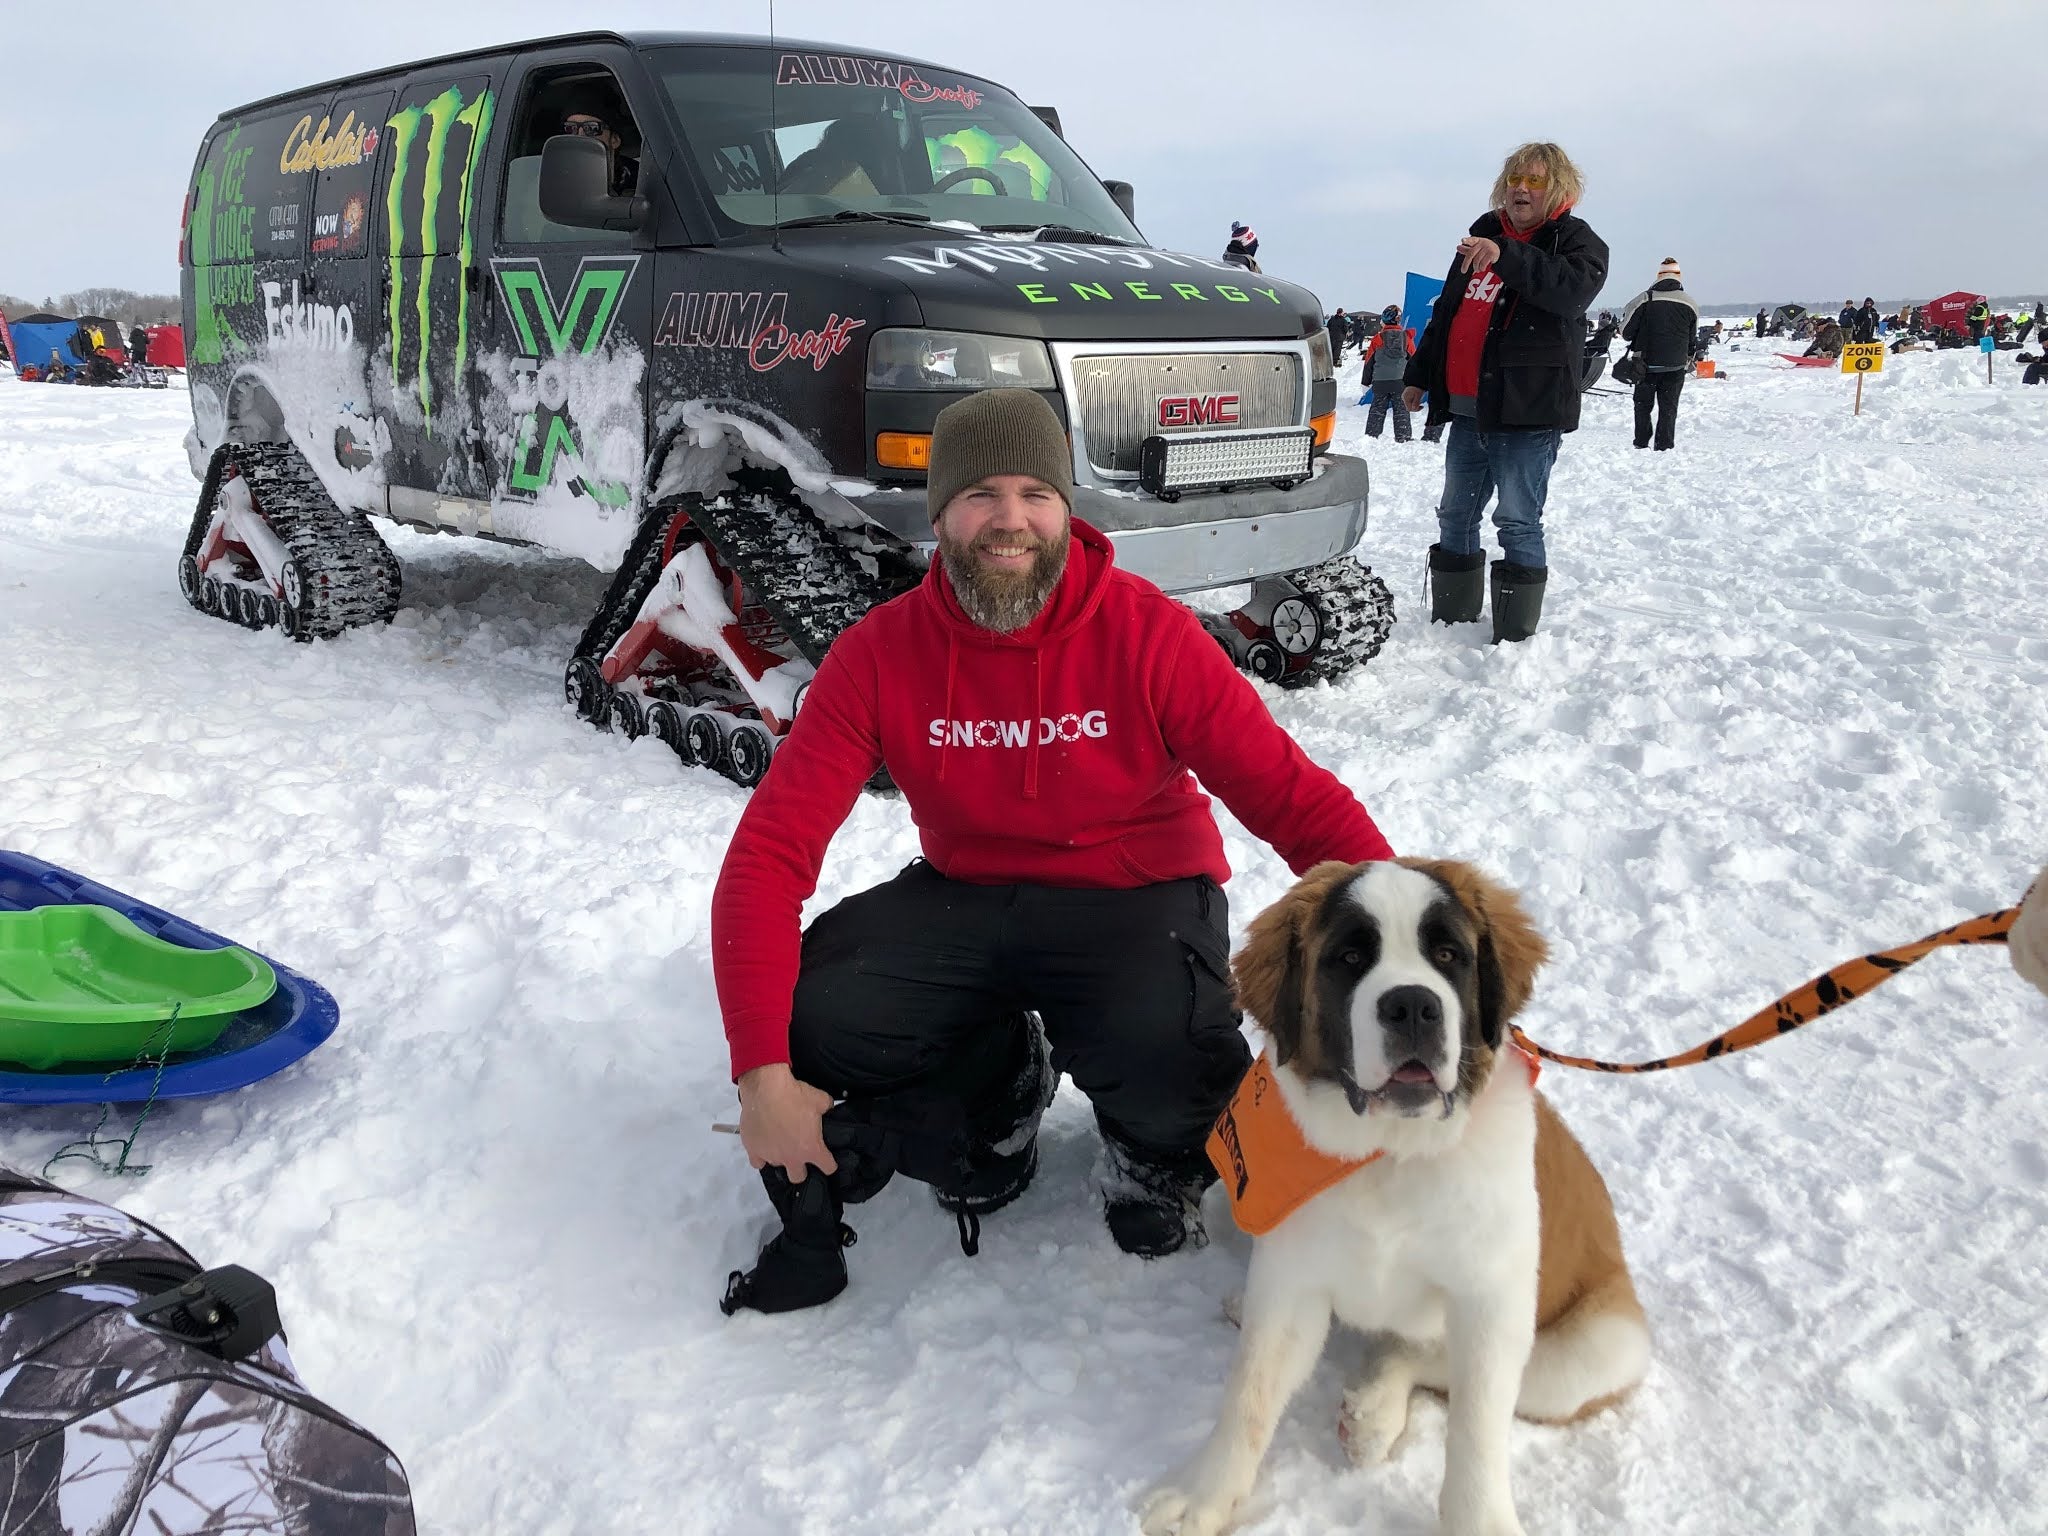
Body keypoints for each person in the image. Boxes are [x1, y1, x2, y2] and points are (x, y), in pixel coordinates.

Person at [712, 387, 1397, 1314]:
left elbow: (1290, 796)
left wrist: (1408, 942)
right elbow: (767, 858)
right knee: (815, 1014)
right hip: (971, 896)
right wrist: (760, 1073)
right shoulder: (881, 654)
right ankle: (998, 1098)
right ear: (939, 513)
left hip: (1135, 893)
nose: (1010, 521)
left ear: (1067, 508)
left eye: (1036, 493)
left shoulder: (1149, 633)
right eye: (980, 495)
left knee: (1178, 1065)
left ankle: (1151, 1153)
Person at [1404, 141, 1607, 642]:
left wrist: (1508, 255)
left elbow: (1567, 292)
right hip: (1470, 411)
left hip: (1527, 413)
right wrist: (1419, 374)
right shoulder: (1484, 233)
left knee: (1517, 519)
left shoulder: (1577, 243)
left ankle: (1514, 635)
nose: (1520, 188)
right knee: (1455, 512)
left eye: (1534, 181)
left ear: (1557, 188)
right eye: (1516, 178)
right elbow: (1448, 312)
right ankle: (1453, 621)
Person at [1621, 258, 1698, 452]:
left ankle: (1641, 442)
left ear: (1658, 276)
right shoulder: (1690, 303)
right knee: (1669, 409)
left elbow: (1626, 332)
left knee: (1642, 406)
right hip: (1675, 366)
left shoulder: (1644, 299)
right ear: (1679, 277)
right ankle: (1664, 446)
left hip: (1645, 365)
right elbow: (1692, 339)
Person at [1361, 304, 1415, 441]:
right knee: (1402, 411)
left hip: (1380, 382)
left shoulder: (1377, 339)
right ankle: (1404, 437)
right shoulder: (1407, 339)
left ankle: (1371, 437)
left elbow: (1369, 362)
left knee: (1377, 411)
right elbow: (1414, 361)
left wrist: (1365, 382)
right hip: (1400, 383)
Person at [562, 110, 638, 197]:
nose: (580, 136)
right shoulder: (555, 178)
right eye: (571, 128)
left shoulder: (641, 179)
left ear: (615, 140)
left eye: (591, 128)